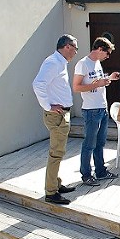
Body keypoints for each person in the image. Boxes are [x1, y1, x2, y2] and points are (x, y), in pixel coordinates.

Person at [32, 34, 80, 205]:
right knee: (56, 153)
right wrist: (48, 106)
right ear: (67, 46)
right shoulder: (53, 62)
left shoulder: (59, 62)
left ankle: (56, 184)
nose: (76, 51)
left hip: (60, 114)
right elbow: (38, 84)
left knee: (58, 152)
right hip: (56, 115)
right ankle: (51, 192)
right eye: (75, 48)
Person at [72, 37, 120, 187]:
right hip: (91, 110)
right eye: (107, 53)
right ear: (99, 49)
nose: (108, 57)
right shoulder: (82, 64)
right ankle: (86, 174)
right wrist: (100, 82)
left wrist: (109, 78)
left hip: (102, 108)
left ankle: (100, 171)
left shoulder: (97, 63)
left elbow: (97, 82)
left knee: (100, 143)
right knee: (89, 144)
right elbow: (76, 87)